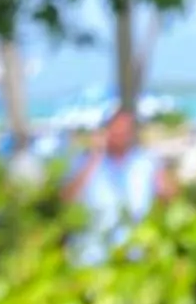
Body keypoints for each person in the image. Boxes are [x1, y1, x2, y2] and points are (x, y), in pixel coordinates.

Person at [63, 107, 170, 266]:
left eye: (124, 132)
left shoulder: (146, 161)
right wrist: (94, 156)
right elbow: (67, 198)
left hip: (135, 252)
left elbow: (168, 195)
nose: (119, 137)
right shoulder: (85, 161)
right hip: (92, 254)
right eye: (115, 131)